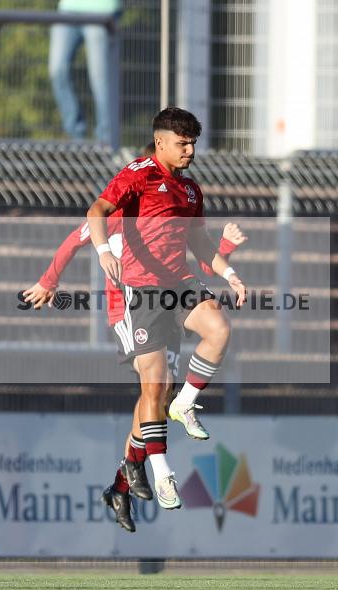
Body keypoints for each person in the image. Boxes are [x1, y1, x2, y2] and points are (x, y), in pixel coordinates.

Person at [22, 213, 247, 531]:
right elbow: (75, 239)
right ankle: (136, 472)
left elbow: (205, 265)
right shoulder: (119, 211)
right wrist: (48, 281)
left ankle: (121, 485)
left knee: (158, 396)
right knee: (155, 389)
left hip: (166, 308)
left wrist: (225, 246)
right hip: (128, 307)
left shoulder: (170, 209)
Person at [86, 107, 246, 515]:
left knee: (219, 330)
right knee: (154, 387)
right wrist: (104, 251)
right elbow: (96, 212)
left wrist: (229, 273)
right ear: (160, 143)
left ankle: (186, 404)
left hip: (179, 283)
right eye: (182, 143)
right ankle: (160, 473)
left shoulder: (190, 190)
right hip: (140, 294)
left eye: (193, 142)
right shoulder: (137, 174)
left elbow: (201, 244)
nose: (190, 150)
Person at [48, 0, 121, 143]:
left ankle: (106, 142)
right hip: (68, 8)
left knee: (100, 79)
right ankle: (76, 136)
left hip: (102, 10)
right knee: (56, 71)